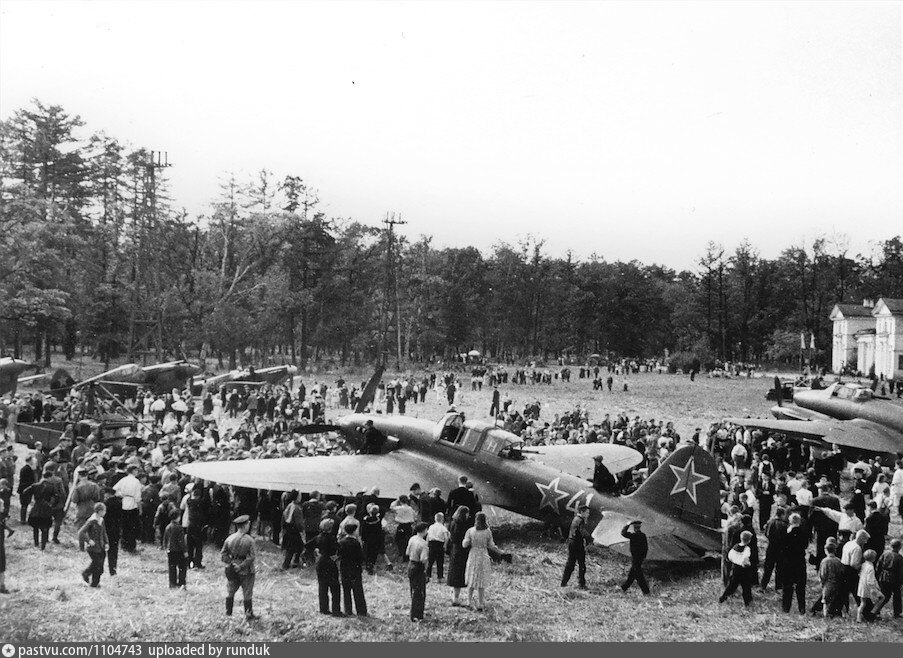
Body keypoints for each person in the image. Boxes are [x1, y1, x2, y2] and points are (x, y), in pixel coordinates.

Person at [221, 514, 257, 620]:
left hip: (232, 569)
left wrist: (232, 563)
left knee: (230, 590)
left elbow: (223, 555)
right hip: (246, 570)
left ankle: (228, 613)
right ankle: (248, 615)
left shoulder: (229, 538)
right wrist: (241, 566)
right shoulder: (250, 540)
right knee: (247, 592)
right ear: (245, 525)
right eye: (248, 524)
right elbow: (251, 557)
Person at [462, 511, 501, 611]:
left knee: (471, 577)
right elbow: (491, 545)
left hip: (473, 554)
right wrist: (499, 551)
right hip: (483, 554)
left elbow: (464, 544)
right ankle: (480, 603)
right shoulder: (487, 531)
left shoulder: (470, 531)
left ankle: (469, 601)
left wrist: (467, 541)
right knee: (481, 580)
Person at [308, 518, 342, 616]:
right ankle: (336, 610)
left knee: (322, 587)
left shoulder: (318, 537)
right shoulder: (331, 538)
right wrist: (336, 556)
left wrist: (315, 552)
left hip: (320, 562)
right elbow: (338, 548)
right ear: (330, 528)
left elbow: (307, 545)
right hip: (330, 562)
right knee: (335, 587)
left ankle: (324, 609)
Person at [23, 464, 58, 550]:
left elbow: (25, 492)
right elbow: (57, 497)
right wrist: (52, 504)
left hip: (36, 507)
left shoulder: (35, 485)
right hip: (46, 508)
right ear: (49, 477)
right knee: (45, 527)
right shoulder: (52, 487)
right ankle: (43, 546)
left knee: (35, 527)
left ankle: (36, 543)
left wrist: (31, 501)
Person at [337, 520, 367, 617]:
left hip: (344, 568)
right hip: (355, 568)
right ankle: (361, 611)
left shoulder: (341, 542)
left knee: (346, 590)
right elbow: (361, 557)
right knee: (358, 590)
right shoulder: (356, 543)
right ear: (354, 531)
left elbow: (339, 555)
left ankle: (348, 610)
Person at [719, 530, 755, 607]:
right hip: (744, 570)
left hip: (735, 568)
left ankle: (723, 597)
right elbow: (745, 558)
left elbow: (730, 556)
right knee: (746, 587)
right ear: (749, 540)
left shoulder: (735, 546)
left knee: (732, 585)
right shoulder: (747, 549)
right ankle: (748, 602)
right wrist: (747, 563)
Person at [781, 512, 808, 614]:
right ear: (799, 521)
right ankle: (802, 609)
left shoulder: (787, 533)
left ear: (790, 521)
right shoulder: (803, 533)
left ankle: (786, 608)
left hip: (788, 562)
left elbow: (783, 547)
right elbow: (805, 545)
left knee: (787, 586)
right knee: (801, 587)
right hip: (800, 561)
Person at [77, 502, 108, 588]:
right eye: (104, 510)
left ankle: (95, 582)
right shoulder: (92, 521)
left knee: (100, 566)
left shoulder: (101, 520)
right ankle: (87, 576)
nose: (105, 512)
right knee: (97, 564)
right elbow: (81, 532)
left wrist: (106, 543)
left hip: (101, 546)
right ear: (99, 511)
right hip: (93, 548)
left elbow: (104, 533)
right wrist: (89, 540)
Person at [561, 505, 591, 589]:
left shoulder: (575, 519)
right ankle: (581, 584)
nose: (588, 514)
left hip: (571, 543)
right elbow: (582, 531)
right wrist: (590, 538)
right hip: (578, 544)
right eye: (587, 512)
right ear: (582, 512)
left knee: (570, 564)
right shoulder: (580, 520)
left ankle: (563, 583)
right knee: (582, 565)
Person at [446, 505, 470, 606]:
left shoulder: (452, 523)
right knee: (459, 575)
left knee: (454, 572)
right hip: (461, 550)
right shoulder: (463, 525)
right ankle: (456, 598)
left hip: (454, 549)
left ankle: (453, 595)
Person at [759, 506, 787, 593]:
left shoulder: (770, 522)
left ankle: (763, 586)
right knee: (779, 568)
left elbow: (766, 534)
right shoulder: (784, 525)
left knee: (768, 568)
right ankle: (778, 587)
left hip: (770, 547)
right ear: (782, 515)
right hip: (780, 548)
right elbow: (785, 538)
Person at [407, 521, 430, 621]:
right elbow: (423, 559)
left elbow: (407, 552)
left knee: (413, 589)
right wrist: (426, 570)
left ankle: (413, 612)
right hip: (418, 567)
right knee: (420, 592)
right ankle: (417, 615)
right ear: (424, 530)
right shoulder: (423, 544)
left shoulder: (412, 539)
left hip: (411, 564)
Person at [874, 538, 902, 619]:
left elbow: (878, 566)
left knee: (884, 596)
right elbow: (901, 571)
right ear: (899, 547)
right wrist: (901, 581)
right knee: (897, 596)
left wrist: (878, 576)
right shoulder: (899, 557)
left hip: (883, 577)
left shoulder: (885, 554)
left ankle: (874, 611)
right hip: (895, 579)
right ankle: (897, 613)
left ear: (890, 546)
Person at [620, 520, 650, 595]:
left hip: (635, 557)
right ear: (639, 527)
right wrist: (644, 557)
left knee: (638, 575)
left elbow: (623, 533)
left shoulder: (633, 535)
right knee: (632, 574)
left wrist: (627, 525)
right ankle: (624, 588)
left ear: (634, 528)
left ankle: (646, 591)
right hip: (640, 557)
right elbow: (646, 548)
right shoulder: (643, 535)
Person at [818, 540, 845, 618]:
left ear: (826, 550)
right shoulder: (838, 560)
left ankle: (826, 615)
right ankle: (841, 614)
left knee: (826, 601)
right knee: (836, 599)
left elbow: (823, 574)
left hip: (828, 583)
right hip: (837, 583)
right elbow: (842, 572)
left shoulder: (825, 561)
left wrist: (822, 582)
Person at [857, 549, 885, 622]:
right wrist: (875, 588)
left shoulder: (863, 565)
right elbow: (870, 580)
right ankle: (872, 613)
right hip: (869, 587)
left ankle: (858, 618)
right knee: (882, 598)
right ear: (873, 559)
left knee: (863, 603)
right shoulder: (870, 567)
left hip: (862, 586)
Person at [163, 509, 187, 589]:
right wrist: (185, 551)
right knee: (182, 567)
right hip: (179, 551)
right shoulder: (179, 528)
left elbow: (165, 539)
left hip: (170, 550)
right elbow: (181, 541)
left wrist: (165, 547)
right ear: (178, 517)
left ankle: (172, 584)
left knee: (172, 568)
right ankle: (181, 583)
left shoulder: (167, 527)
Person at [391, 495, 416, 562]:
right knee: (407, 540)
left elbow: (391, 507)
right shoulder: (410, 509)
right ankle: (406, 556)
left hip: (401, 525)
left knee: (398, 539)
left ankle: (401, 553)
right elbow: (414, 516)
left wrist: (396, 500)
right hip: (408, 526)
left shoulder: (398, 508)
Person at [426, 512, 450, 582]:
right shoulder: (443, 528)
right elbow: (446, 537)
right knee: (440, 561)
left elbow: (428, 536)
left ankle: (427, 576)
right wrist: (445, 545)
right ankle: (440, 577)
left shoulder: (431, 527)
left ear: (435, 519)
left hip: (431, 544)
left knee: (430, 561)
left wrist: (427, 544)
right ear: (442, 519)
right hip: (439, 544)